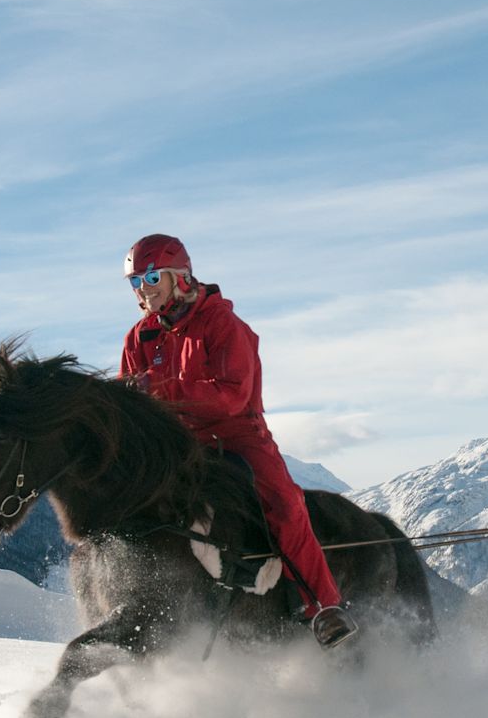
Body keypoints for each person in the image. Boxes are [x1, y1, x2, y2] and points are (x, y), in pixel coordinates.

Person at [117, 234, 358, 650]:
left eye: (152, 276)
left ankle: (322, 606)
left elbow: (232, 397)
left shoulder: (223, 324)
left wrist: (161, 388)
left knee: (284, 504)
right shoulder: (140, 337)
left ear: (180, 277)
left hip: (237, 436)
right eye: (135, 280)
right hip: (177, 446)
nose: (143, 288)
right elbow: (132, 398)